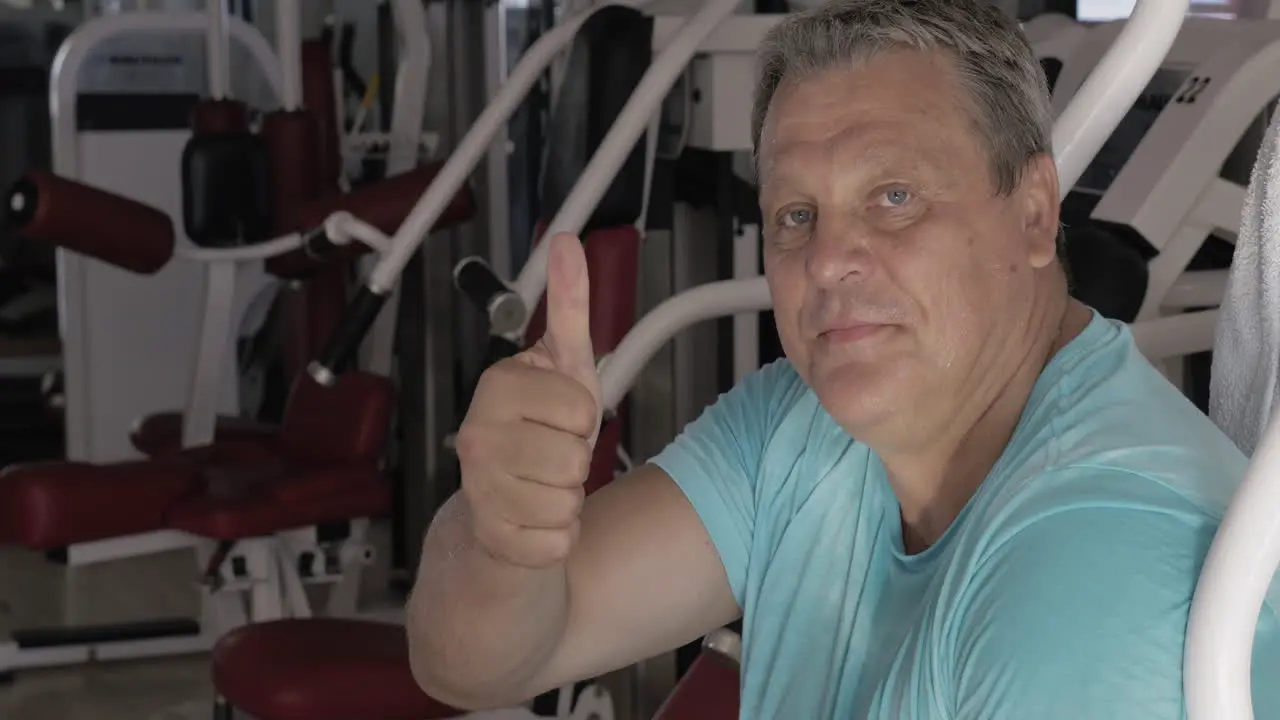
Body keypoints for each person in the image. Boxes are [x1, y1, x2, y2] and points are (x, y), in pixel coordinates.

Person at [406, 1, 1280, 717]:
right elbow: (472, 666)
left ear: (1033, 212)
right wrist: (499, 539)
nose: (827, 260)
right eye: (796, 215)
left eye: (893, 197)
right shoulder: (801, 425)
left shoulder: (1099, 582)